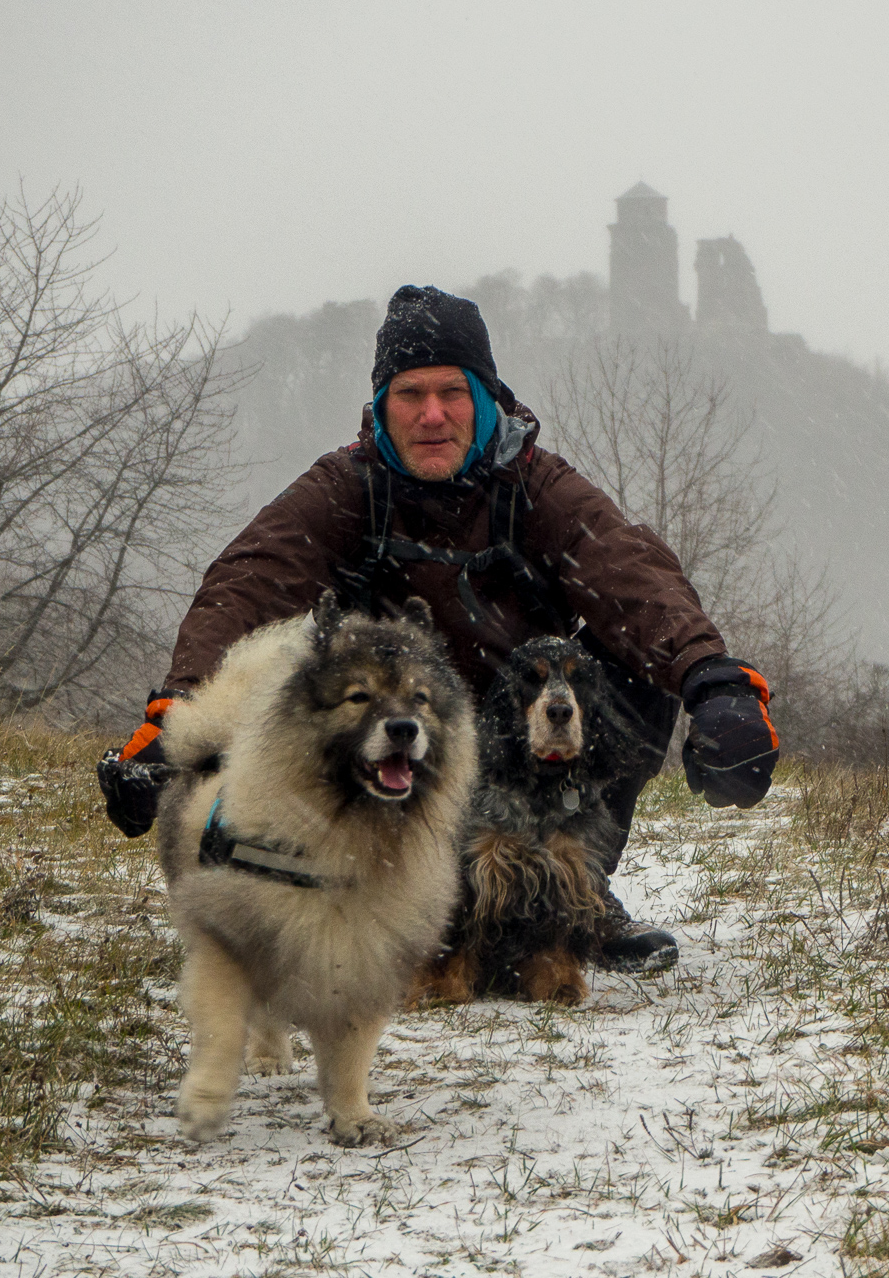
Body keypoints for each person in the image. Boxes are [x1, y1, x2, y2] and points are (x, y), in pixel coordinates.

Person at [98, 284, 778, 972]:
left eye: (452, 392)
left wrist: (714, 683)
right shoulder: (347, 488)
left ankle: (576, 894)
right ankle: (398, 901)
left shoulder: (534, 485)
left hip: (521, 749)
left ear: (487, 399)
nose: (431, 415)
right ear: (381, 406)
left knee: (628, 666)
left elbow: (628, 572)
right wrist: (176, 720)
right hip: (403, 750)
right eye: (409, 394)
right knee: (289, 670)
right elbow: (248, 584)